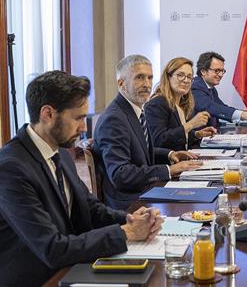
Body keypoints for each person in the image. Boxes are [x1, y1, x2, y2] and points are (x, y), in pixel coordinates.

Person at [0, 71, 164, 286]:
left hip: (71, 267)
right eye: (77, 118)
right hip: (40, 278)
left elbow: (90, 209)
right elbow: (52, 248)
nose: (84, 128)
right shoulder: (11, 168)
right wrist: (125, 233)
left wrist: (130, 219)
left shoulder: (59, 153)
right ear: (48, 114)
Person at [94, 55, 202, 210]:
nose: (147, 84)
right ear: (121, 83)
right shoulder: (114, 119)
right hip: (130, 203)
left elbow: (139, 152)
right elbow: (121, 175)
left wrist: (169, 154)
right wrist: (168, 170)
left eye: (150, 78)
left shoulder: (135, 111)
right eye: (139, 78)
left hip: (145, 190)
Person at [145, 57, 217, 150]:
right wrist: (191, 125)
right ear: (168, 77)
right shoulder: (157, 103)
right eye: (180, 75)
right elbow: (159, 141)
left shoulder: (180, 103)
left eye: (189, 77)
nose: (186, 80)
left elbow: (177, 136)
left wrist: (196, 134)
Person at [191, 51, 247, 127]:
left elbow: (222, 107)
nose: (220, 75)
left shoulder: (210, 88)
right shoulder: (195, 87)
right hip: (198, 137)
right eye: (217, 71)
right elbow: (211, 107)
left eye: (222, 71)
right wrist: (243, 115)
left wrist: (244, 112)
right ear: (203, 71)